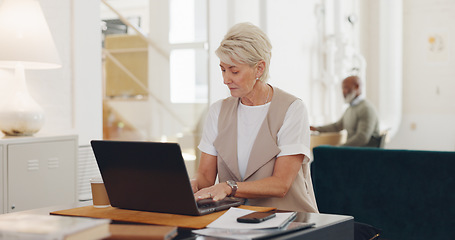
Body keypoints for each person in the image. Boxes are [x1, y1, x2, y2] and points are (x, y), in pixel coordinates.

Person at [190, 22, 318, 213]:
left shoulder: (292, 109)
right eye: (223, 70)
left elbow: (280, 185)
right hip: (234, 221)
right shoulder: (218, 111)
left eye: (234, 71)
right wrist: (188, 186)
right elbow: (205, 178)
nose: (225, 79)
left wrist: (229, 187)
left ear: (259, 69)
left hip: (291, 221)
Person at [310, 75, 380, 147]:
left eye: (346, 87)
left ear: (357, 87)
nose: (343, 91)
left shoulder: (366, 109)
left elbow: (362, 138)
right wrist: (316, 129)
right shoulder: (350, 108)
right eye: (342, 88)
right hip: (353, 151)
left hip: (365, 153)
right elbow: (337, 126)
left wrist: (339, 147)